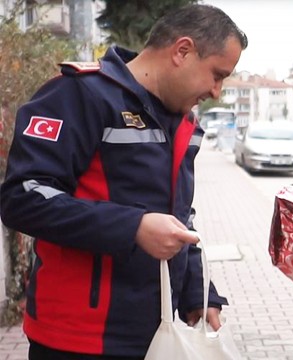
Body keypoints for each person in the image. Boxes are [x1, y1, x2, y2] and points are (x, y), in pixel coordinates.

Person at [0, 4, 247, 359]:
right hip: (77, 339)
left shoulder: (184, 123)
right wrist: (133, 227)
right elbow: (23, 198)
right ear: (182, 51)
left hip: (154, 334)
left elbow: (178, 216)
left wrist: (197, 291)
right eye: (217, 75)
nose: (217, 91)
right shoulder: (77, 96)